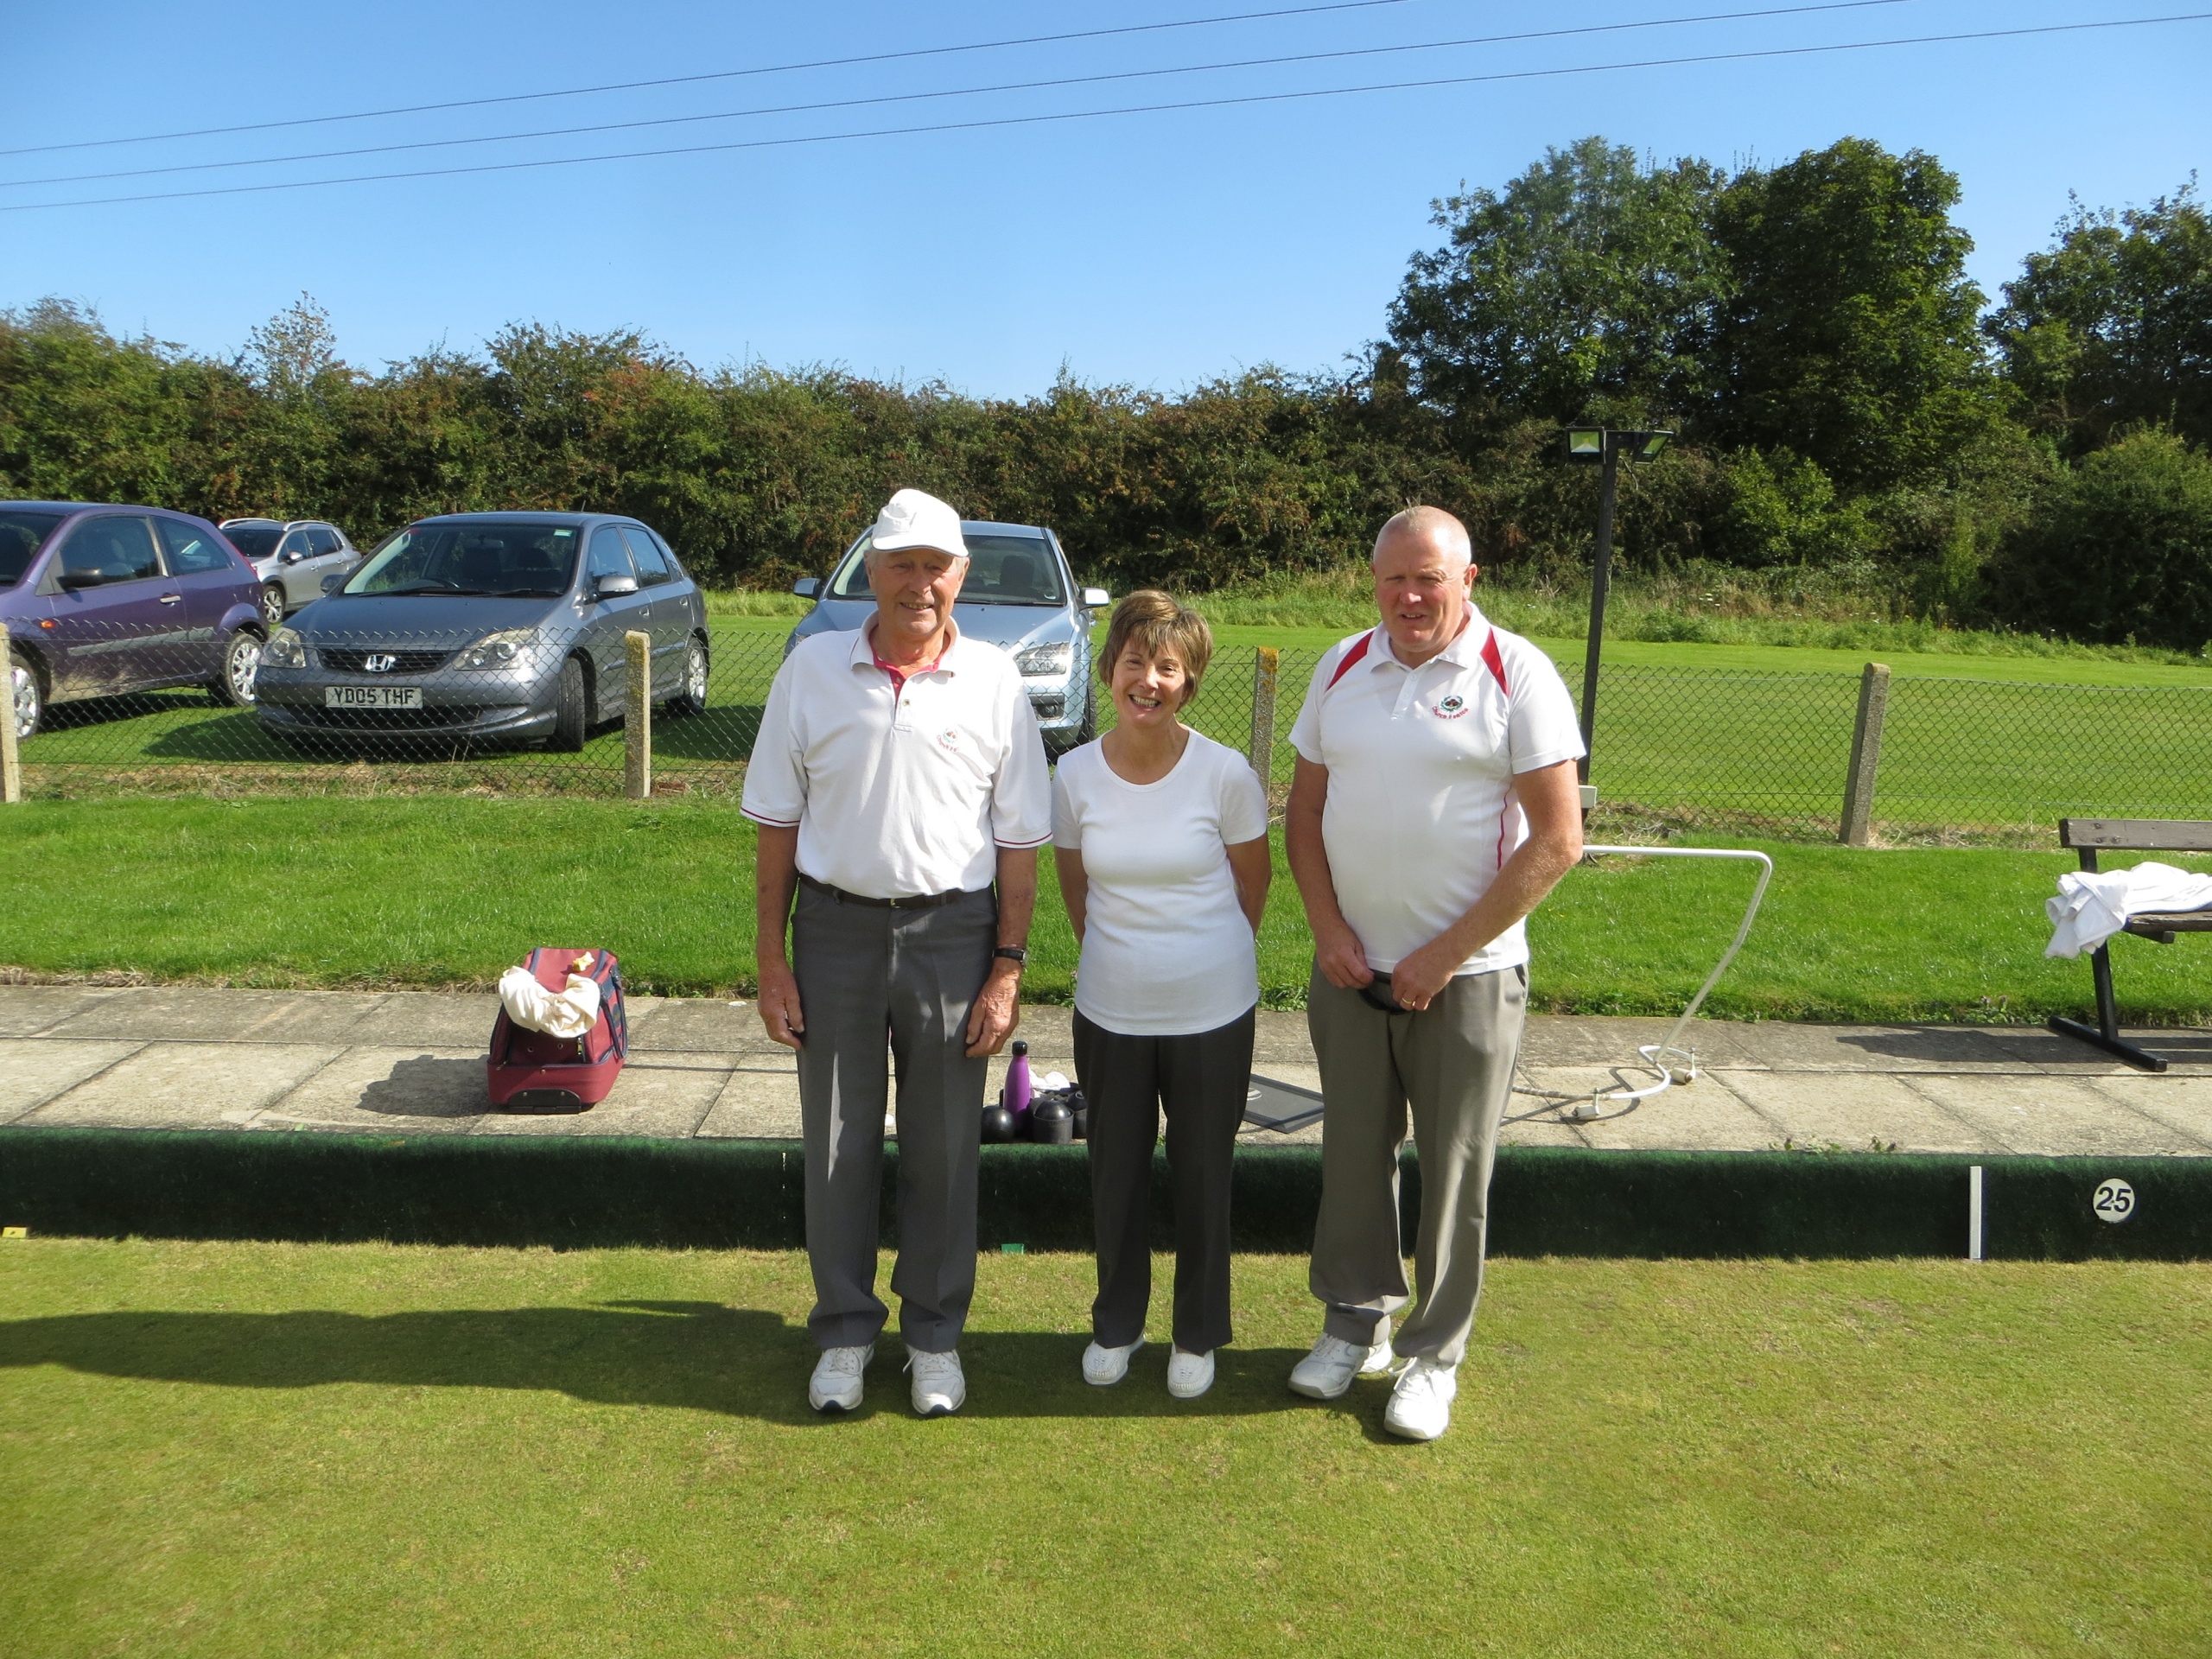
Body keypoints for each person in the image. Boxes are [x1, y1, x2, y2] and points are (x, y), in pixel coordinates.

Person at [742, 487, 1050, 1420]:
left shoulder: (997, 679)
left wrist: (1007, 965)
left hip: (955, 934)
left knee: (947, 1147)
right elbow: (775, 824)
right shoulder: (809, 671)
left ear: (961, 575)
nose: (919, 584)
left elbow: (1019, 840)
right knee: (836, 1140)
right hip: (832, 929)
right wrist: (771, 955)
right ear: (870, 569)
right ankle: (842, 1333)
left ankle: (933, 1340)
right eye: (901, 564)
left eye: (936, 566)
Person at [1283, 505, 1585, 1441]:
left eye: (1429, 578)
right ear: (1372, 581)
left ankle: (1430, 1358)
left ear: (1469, 579)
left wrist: (1440, 957)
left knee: (1454, 1176)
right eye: (1392, 579)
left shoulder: (1516, 672)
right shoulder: (1339, 666)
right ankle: (1352, 1327)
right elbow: (1302, 816)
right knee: (1351, 1162)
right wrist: (1328, 928)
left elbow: (1557, 841)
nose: (1409, 596)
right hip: (1347, 972)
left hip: (1471, 977)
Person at [1052, 591, 1271, 1401]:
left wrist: (1197, 958)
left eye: (1167, 667)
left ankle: (1197, 1332)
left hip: (1213, 1010)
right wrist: (1126, 958)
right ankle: (1118, 1322)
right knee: (1115, 1175)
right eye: (1135, 662)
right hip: (1110, 1009)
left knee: (1203, 1173)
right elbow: (1077, 894)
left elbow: (1254, 889)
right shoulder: (1072, 774)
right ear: (1110, 670)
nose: (1148, 680)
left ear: (1188, 682)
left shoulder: (1225, 774)